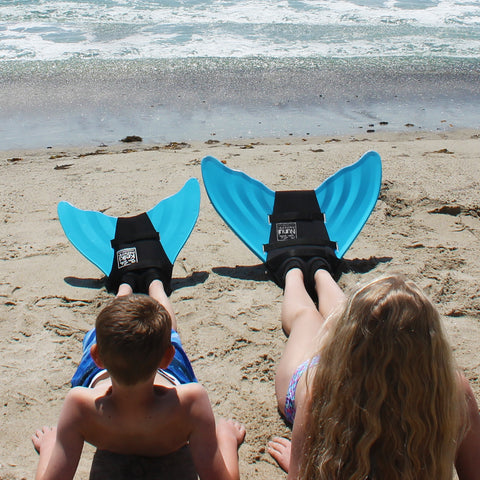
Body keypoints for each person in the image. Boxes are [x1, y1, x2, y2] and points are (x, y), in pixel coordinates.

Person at [266, 265, 480, 479]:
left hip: (335, 373)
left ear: (347, 342)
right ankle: (320, 270)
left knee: (307, 317)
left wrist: (301, 462)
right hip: (342, 370)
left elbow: (301, 475)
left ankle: (296, 269)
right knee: (346, 317)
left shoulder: (318, 386)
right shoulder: (453, 391)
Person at [32, 277, 245, 480]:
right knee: (169, 332)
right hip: (165, 371)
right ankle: (156, 285)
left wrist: (50, 445)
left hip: (99, 375)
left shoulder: (79, 405)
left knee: (103, 331)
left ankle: (124, 286)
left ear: (96, 357)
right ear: (168, 358)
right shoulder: (191, 403)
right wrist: (226, 437)